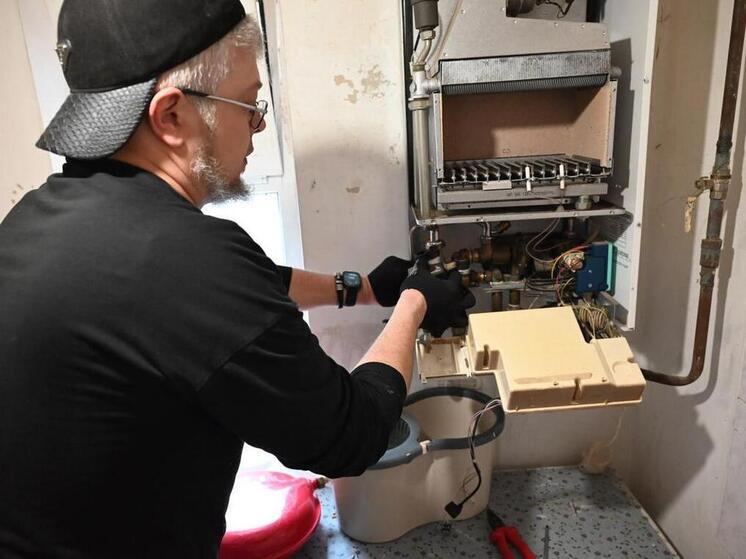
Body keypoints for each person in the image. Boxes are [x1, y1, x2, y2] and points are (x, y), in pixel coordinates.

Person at [0, 1, 475, 558]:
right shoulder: (188, 261)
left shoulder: (35, 222)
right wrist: (415, 302)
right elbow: (351, 435)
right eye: (248, 105)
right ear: (171, 116)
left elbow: (234, 295)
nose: (258, 125)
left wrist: (360, 289)